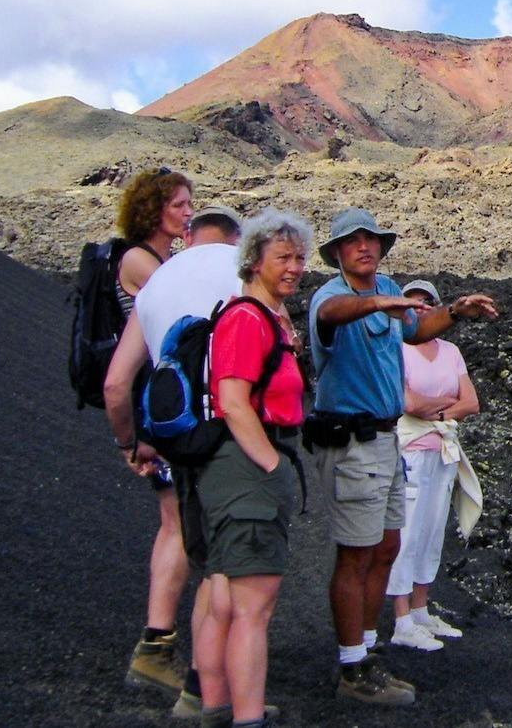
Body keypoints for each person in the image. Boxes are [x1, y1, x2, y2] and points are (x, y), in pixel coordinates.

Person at [306, 208, 497, 706]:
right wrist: (375, 304)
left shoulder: (387, 286)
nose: (365, 247)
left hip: (387, 439)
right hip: (351, 440)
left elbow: (414, 329)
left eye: (372, 239)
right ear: (337, 253)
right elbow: (331, 316)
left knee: (386, 546)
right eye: (353, 241)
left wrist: (454, 312)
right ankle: (352, 666)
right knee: (356, 552)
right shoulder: (330, 297)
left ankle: (368, 651)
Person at [105, 205, 244, 718]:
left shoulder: (160, 282)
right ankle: (204, 690)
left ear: (189, 235)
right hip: (230, 438)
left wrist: (129, 444)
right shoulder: (243, 274)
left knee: (190, 542)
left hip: (174, 438)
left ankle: (163, 654)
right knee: (225, 566)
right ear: (238, 237)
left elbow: (117, 383)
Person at [197, 209, 311, 728]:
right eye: (283, 258)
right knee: (252, 609)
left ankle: (219, 706)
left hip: (236, 472)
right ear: (254, 261)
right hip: (248, 470)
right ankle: (246, 718)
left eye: (301, 257)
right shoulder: (247, 319)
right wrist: (270, 464)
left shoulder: (262, 317)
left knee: (225, 595)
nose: (295, 267)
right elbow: (233, 401)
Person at [110, 167, 195, 693]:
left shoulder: (160, 260)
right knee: (177, 523)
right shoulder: (142, 262)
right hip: (153, 410)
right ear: (155, 209)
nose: (189, 212)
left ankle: (162, 642)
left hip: (156, 405)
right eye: (181, 204)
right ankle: (155, 645)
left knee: (179, 519)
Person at [386, 279, 483, 652]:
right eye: (411, 303)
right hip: (410, 449)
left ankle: (421, 608)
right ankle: (401, 619)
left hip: (443, 449)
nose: (419, 308)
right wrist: (445, 405)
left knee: (431, 530)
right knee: (406, 532)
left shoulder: (451, 351)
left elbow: (471, 402)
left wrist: (435, 408)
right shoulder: (396, 349)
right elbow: (408, 403)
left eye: (426, 303)